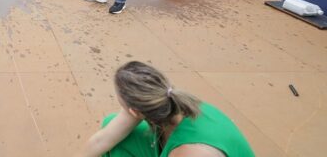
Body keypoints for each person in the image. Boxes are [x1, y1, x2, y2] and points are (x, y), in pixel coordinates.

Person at [76, 61, 255, 157]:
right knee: (112, 126)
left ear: (135, 111)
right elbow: (102, 140)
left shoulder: (192, 152)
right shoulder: (167, 102)